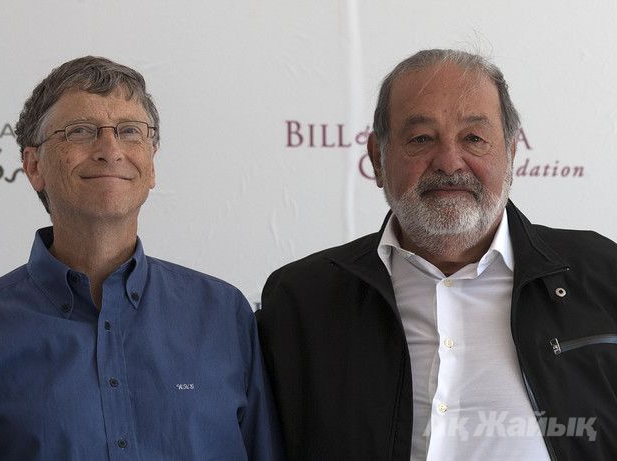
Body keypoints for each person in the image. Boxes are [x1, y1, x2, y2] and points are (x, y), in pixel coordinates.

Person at [256, 49, 617, 460]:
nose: (449, 162)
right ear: (377, 158)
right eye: (421, 139)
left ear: (512, 154)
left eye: (474, 138)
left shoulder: (602, 274)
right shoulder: (302, 299)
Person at [0, 56, 283, 460]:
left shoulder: (223, 313)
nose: (110, 149)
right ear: (35, 167)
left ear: (152, 165)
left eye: (129, 131)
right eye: (81, 131)